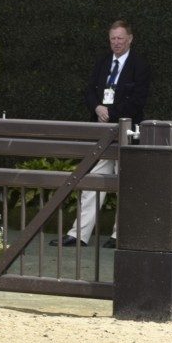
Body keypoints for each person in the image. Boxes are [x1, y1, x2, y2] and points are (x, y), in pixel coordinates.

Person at [49, 21, 149, 248]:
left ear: (130, 38)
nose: (116, 43)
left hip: (127, 134)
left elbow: (138, 102)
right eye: (113, 38)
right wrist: (97, 108)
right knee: (93, 181)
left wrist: (111, 112)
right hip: (102, 134)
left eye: (120, 38)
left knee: (126, 183)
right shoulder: (103, 62)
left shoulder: (140, 66)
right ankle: (79, 235)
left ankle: (120, 236)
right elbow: (90, 90)